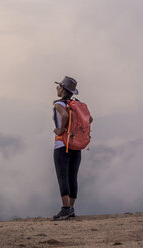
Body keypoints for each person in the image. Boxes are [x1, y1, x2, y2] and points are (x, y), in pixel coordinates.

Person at [52, 76, 93, 221]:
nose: (57, 89)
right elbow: (90, 119)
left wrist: (60, 129)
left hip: (62, 145)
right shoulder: (78, 104)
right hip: (76, 145)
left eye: (58, 87)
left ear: (62, 89)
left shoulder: (59, 104)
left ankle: (65, 209)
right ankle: (71, 209)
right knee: (72, 177)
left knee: (62, 176)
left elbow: (63, 115)